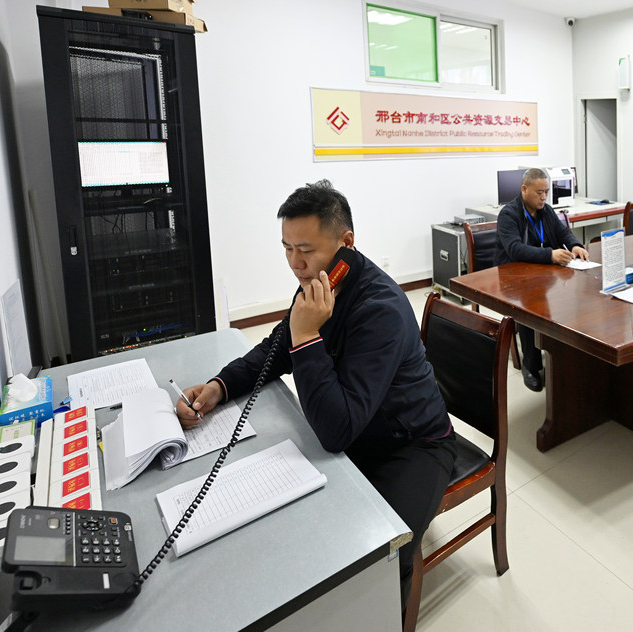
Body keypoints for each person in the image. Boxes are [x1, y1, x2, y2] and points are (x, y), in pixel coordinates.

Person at [174, 180, 456, 612]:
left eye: (305, 250)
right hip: (359, 425)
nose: (295, 263)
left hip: (412, 444)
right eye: (287, 249)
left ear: (346, 243)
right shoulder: (317, 285)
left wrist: (306, 337)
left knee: (383, 554)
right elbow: (276, 347)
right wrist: (220, 385)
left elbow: (336, 431)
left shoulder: (380, 309)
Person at [494, 167, 589, 391]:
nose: (544, 197)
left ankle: (567, 353)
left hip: (543, 271)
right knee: (530, 305)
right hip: (514, 276)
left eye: (546, 192)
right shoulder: (508, 214)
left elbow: (563, 232)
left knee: (572, 297)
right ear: (524, 189)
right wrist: (550, 255)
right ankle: (531, 365)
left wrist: (575, 245)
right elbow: (515, 249)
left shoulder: (545, 210)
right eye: (539, 192)